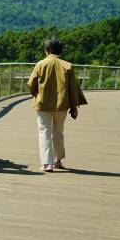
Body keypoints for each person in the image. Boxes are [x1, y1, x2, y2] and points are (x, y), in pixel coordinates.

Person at [27, 37, 81, 172]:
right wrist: (74, 107)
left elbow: (31, 84)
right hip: (62, 105)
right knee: (58, 131)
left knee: (44, 131)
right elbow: (73, 89)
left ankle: (47, 163)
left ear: (47, 50)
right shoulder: (68, 66)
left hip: (42, 103)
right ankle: (58, 160)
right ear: (60, 51)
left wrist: (36, 93)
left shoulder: (40, 64)